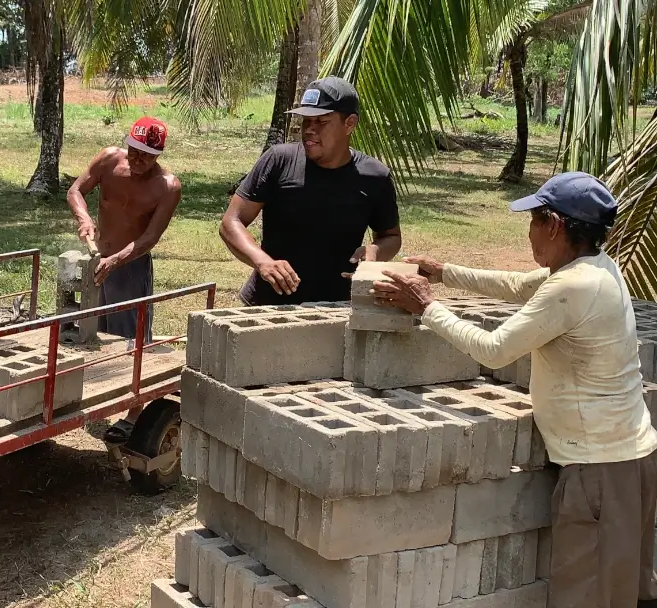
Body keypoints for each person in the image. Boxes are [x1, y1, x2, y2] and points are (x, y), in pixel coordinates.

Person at [372, 172, 657, 608]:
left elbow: (494, 349)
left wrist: (427, 306)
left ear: (555, 225)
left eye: (533, 221)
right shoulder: (596, 267)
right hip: (628, 458)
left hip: (598, 470)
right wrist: (445, 272)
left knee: (588, 596)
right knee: (619, 591)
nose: (529, 234)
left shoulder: (572, 287)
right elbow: (518, 286)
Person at [219, 76, 402, 305]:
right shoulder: (279, 161)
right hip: (268, 309)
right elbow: (231, 222)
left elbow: (391, 236)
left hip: (338, 310)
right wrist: (262, 262)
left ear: (350, 124)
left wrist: (375, 251)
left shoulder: (375, 176)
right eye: (306, 121)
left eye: (321, 122)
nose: (309, 130)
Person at [66, 116, 182, 442]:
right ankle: (100, 397)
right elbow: (76, 189)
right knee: (95, 335)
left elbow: (149, 238)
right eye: (134, 151)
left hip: (130, 267)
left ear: (158, 155)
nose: (137, 159)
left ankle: (133, 414)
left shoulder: (168, 187)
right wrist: (84, 217)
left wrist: (118, 259)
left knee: (133, 342)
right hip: (97, 261)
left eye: (146, 155)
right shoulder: (108, 159)